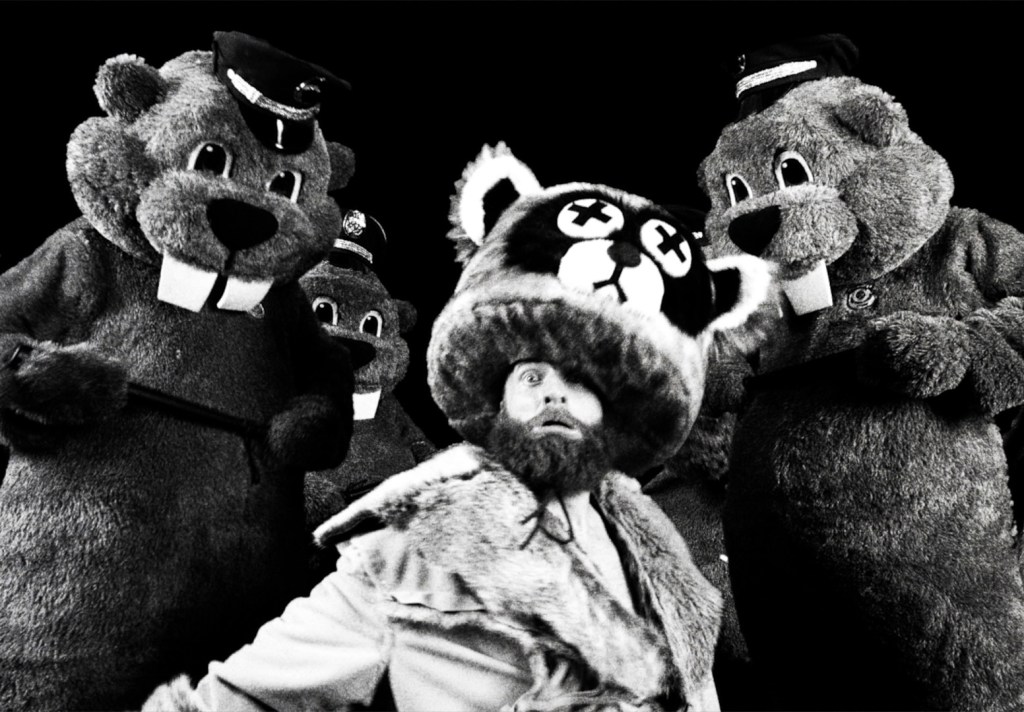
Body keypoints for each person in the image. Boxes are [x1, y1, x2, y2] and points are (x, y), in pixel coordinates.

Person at [143, 142, 772, 712]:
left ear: (616, 408)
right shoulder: (415, 547)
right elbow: (241, 695)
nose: (554, 390)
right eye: (532, 374)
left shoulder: (649, 546)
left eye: (581, 380)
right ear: (499, 396)